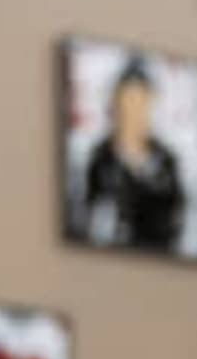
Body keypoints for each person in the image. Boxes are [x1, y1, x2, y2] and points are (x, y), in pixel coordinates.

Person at [80, 63, 189, 253]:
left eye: (141, 101)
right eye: (128, 100)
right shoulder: (101, 158)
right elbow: (90, 217)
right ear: (115, 103)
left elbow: (177, 219)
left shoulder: (167, 160)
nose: (134, 110)